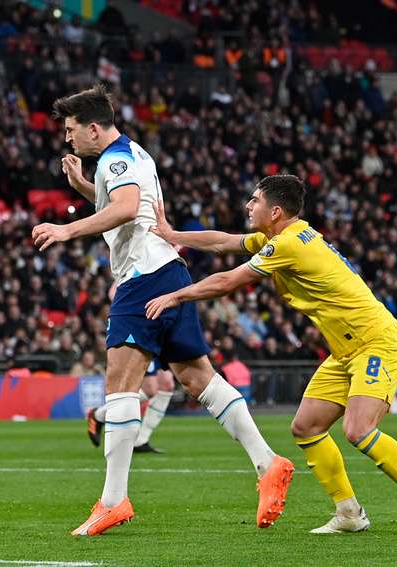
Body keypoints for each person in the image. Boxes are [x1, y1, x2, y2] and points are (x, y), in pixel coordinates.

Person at [31, 85, 293, 537]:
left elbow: (128, 207)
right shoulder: (136, 154)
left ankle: (113, 501)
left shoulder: (115, 158)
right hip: (170, 270)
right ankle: (268, 462)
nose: (69, 139)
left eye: (73, 131)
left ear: (94, 128)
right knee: (197, 378)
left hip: (143, 279)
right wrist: (82, 187)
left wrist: (68, 228)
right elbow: (133, 207)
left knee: (120, 385)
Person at [146, 174, 397, 537]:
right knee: (307, 427)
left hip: (377, 342)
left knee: (358, 429)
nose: (247, 205)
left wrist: (175, 296)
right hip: (345, 350)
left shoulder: (287, 244)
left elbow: (228, 281)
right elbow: (224, 242)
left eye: (254, 201)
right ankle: (349, 512)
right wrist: (173, 235)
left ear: (275, 211)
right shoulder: (279, 237)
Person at [86, 358, 174, 454]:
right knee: (150, 389)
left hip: (162, 346)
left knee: (167, 385)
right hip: (148, 345)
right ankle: (98, 415)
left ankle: (141, 441)